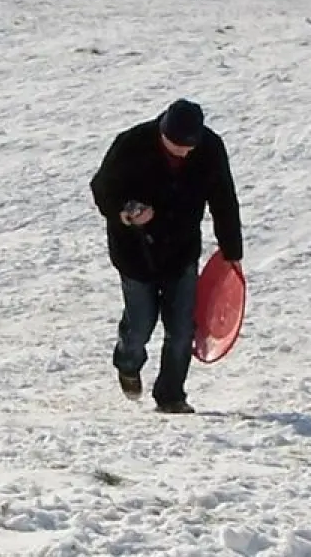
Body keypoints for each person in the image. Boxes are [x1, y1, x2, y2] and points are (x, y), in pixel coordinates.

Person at [90, 99, 243, 414]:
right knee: (141, 324)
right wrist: (127, 212)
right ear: (162, 131)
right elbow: (102, 188)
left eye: (188, 147)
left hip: (180, 250)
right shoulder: (132, 143)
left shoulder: (210, 149)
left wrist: (232, 251)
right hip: (136, 253)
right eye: (175, 145)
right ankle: (128, 361)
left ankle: (171, 395)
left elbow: (223, 198)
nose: (182, 152)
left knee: (183, 328)